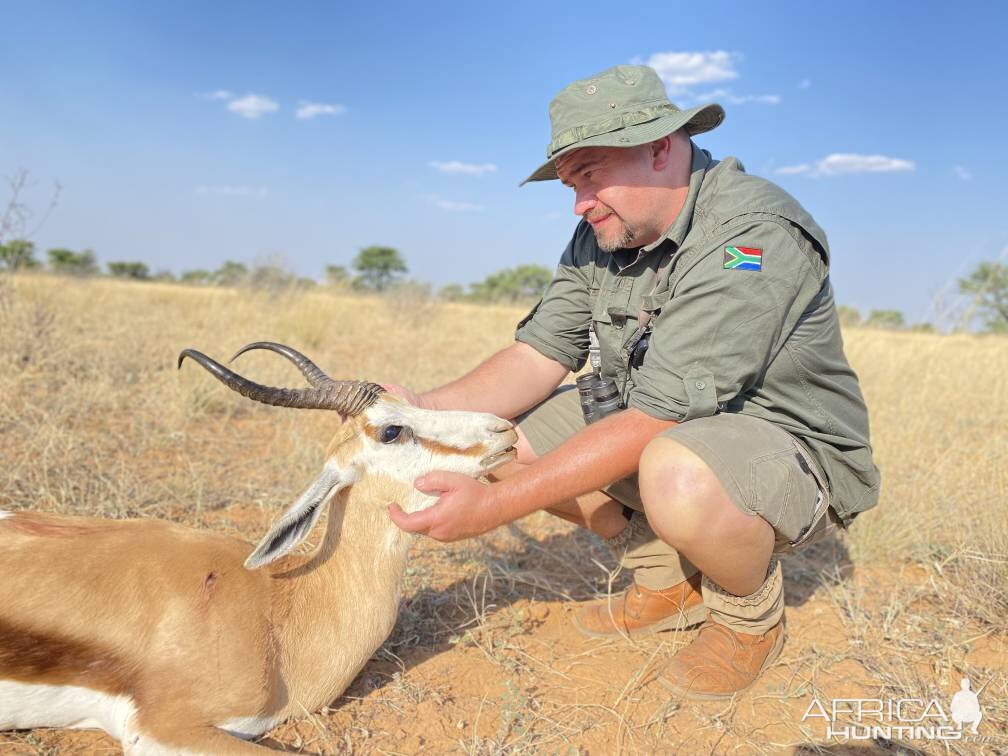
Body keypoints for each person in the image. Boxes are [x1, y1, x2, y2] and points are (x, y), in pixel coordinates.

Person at [387, 63, 880, 700]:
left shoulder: (750, 236)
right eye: (569, 184)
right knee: (492, 442)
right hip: (665, 423)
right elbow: (540, 354)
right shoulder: (607, 228)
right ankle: (667, 582)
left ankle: (747, 617)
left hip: (784, 445)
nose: (579, 202)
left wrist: (493, 508)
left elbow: (658, 420)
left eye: (590, 175)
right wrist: (421, 412)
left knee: (678, 474)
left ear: (659, 148)